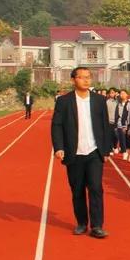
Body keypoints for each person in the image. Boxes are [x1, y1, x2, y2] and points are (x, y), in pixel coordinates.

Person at [51, 67, 113, 239]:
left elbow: (105, 126)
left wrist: (106, 149)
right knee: (77, 190)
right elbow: (57, 126)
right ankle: (81, 223)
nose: (86, 80)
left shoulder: (99, 100)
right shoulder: (64, 101)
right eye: (82, 77)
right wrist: (59, 147)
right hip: (74, 152)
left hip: (94, 151)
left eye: (88, 77)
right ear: (73, 80)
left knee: (95, 188)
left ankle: (97, 226)